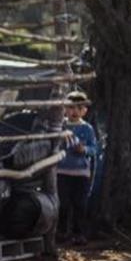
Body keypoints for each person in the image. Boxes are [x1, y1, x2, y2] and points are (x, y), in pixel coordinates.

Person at [57, 90, 98, 245]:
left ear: (84, 111)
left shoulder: (87, 129)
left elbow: (94, 149)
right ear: (65, 109)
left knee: (80, 204)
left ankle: (78, 234)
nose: (74, 111)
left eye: (79, 108)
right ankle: (61, 232)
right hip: (61, 171)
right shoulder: (60, 127)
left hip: (81, 173)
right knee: (63, 204)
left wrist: (84, 150)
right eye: (71, 107)